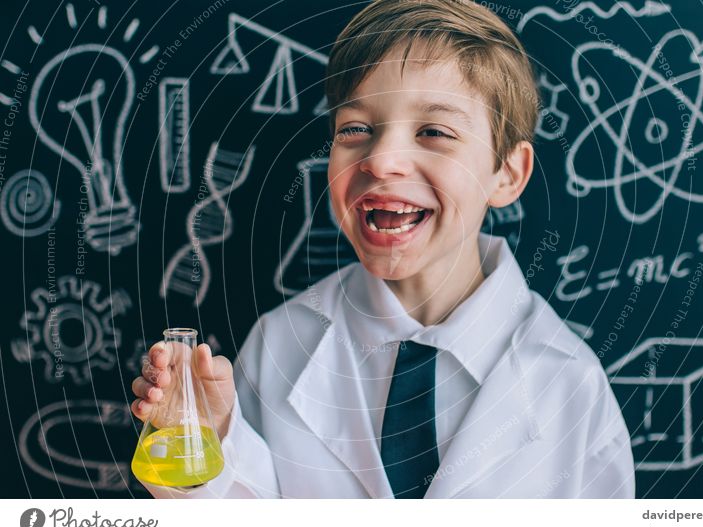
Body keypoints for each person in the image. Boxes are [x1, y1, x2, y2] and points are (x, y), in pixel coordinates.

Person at [131, 0, 635, 498]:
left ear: (507, 174)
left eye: (434, 132)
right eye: (355, 129)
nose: (382, 160)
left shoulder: (573, 387)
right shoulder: (280, 345)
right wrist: (212, 443)